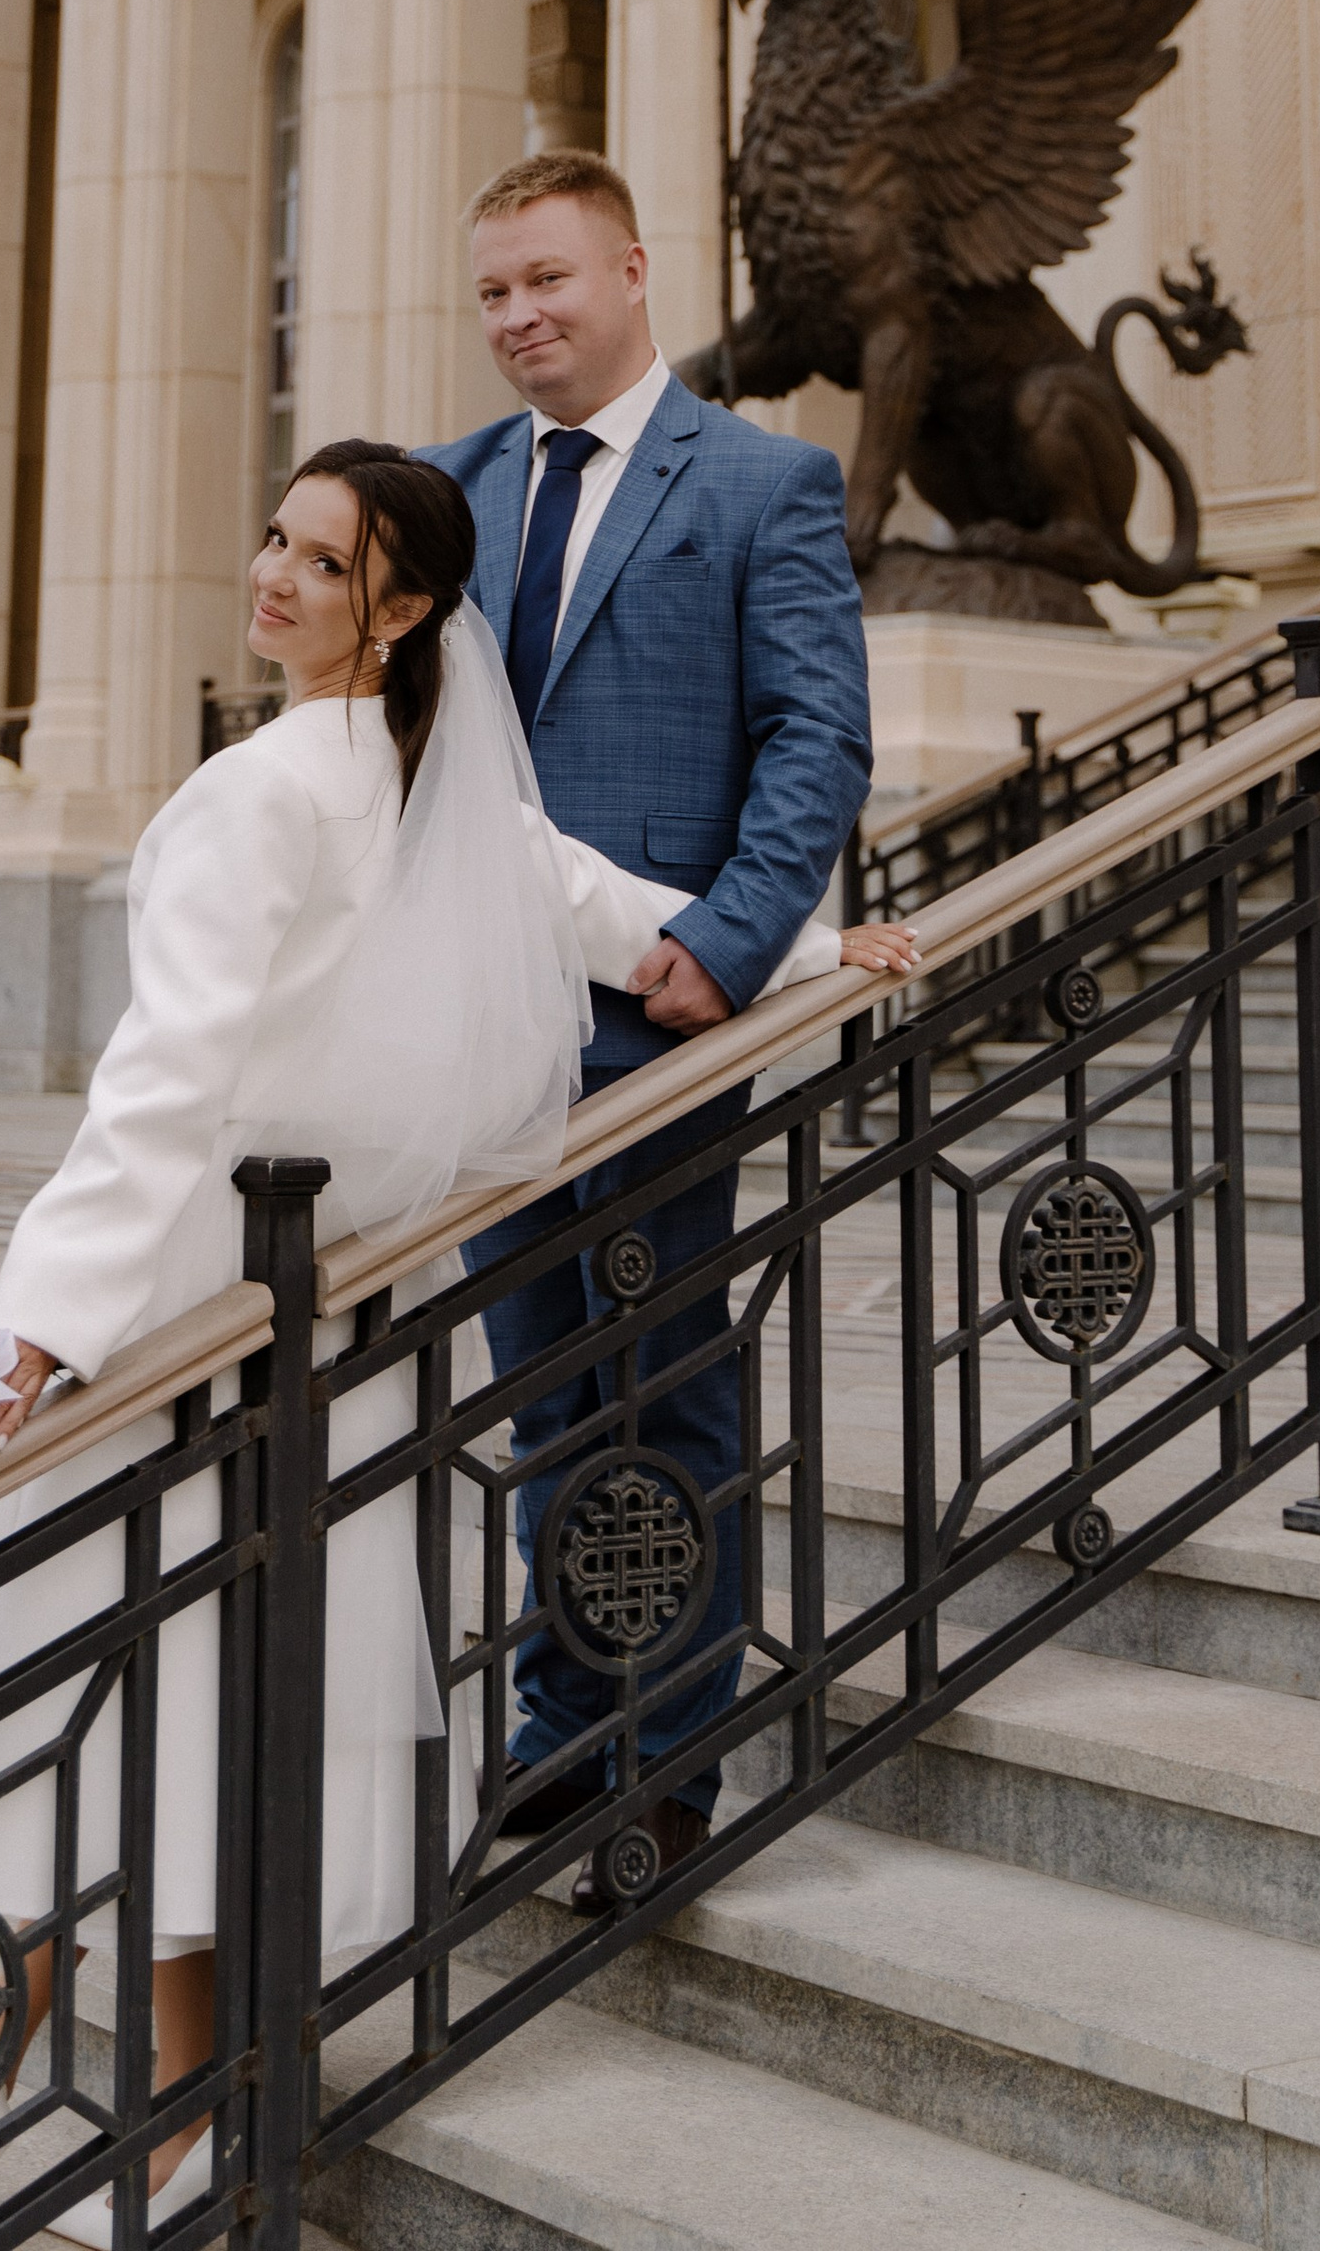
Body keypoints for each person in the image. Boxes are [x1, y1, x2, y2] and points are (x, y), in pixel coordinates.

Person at [0, 441, 718, 2246]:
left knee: (77, 1671)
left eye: (322, 562)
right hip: (332, 1304)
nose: (272, 576)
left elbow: (163, 1083)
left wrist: (37, 1326)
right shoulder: (449, 804)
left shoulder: (259, 794)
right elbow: (639, 924)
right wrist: (817, 946)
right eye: (273, 539)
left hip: (193, 1287)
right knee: (214, 1682)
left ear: (406, 607)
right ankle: (172, 2135)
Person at [419, 148, 877, 1915]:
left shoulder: (763, 484)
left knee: (668, 1399)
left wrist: (735, 940)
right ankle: (556, 1722)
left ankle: (669, 1761)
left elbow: (814, 742)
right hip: (485, 1037)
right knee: (542, 1402)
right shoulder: (443, 496)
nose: (520, 317)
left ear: (630, 270)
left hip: (663, 1032)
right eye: (491, 293)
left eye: (547, 279)